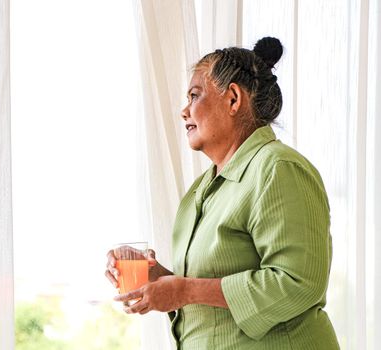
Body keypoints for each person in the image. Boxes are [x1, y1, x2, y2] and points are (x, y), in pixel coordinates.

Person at [105, 37, 340, 349]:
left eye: (194, 96)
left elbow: (298, 283)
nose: (184, 111)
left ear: (232, 99)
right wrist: (157, 276)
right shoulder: (203, 189)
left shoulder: (278, 168)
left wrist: (185, 290)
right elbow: (215, 299)